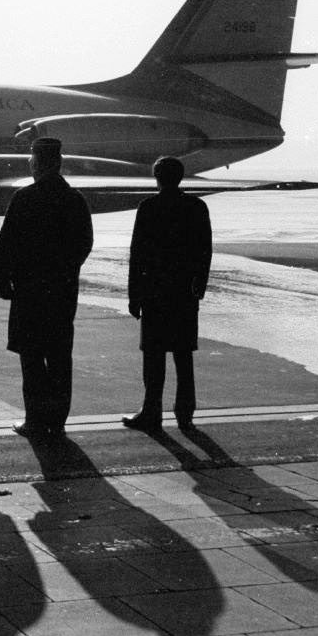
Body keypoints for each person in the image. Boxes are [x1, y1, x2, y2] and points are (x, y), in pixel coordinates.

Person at [0, 137, 93, 438]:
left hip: (30, 290)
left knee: (32, 357)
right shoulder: (74, 199)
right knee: (60, 356)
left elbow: (6, 243)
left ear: (36, 162)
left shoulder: (25, 198)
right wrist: (66, 271)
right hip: (61, 290)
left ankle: (35, 418)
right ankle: (57, 420)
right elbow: (84, 243)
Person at [123, 155, 211, 432]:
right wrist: (200, 285)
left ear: (157, 178)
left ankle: (151, 411)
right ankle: (185, 412)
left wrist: (134, 294)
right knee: (183, 355)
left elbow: (137, 254)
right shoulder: (197, 207)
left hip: (154, 291)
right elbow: (204, 250)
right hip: (184, 291)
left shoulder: (149, 207)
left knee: (154, 356)